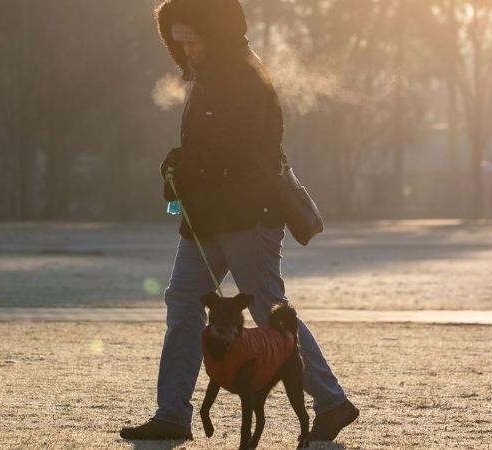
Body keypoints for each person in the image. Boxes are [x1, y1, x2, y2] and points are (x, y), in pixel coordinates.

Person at [120, 0, 359, 442]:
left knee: (272, 314)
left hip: (249, 214)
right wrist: (181, 163)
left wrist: (187, 164)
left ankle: (331, 401)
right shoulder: (207, 76)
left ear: (217, 32)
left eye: (194, 37)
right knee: (182, 302)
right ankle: (172, 411)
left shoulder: (245, 76)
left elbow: (242, 146)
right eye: (180, 39)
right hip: (208, 216)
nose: (187, 48)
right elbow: (207, 145)